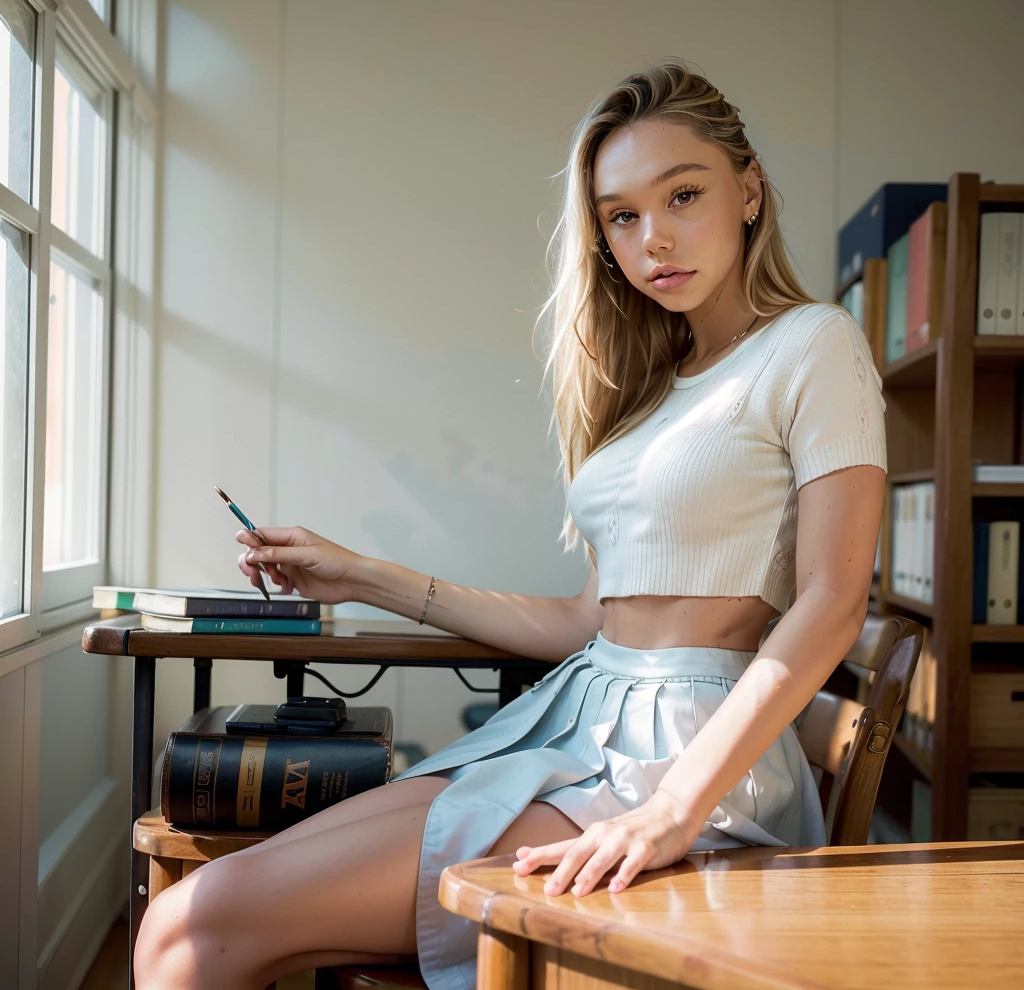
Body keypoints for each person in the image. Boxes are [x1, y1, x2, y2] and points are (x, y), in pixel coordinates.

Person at [134, 59, 886, 990]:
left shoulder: (815, 345)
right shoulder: (655, 392)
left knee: (195, 929)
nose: (654, 239)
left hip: (688, 760)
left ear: (749, 190)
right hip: (568, 720)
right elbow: (583, 626)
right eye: (621, 216)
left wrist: (674, 811)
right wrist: (358, 573)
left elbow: (833, 601)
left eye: (682, 194)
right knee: (183, 914)